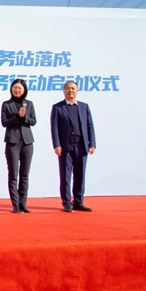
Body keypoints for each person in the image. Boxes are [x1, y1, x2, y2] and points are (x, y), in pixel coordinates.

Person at [50, 81, 96, 213]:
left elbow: (90, 126)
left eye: (73, 88)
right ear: (64, 91)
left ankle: (78, 202)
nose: (70, 91)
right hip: (65, 147)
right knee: (65, 176)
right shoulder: (57, 107)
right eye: (68, 88)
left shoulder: (84, 107)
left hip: (81, 146)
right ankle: (66, 202)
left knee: (80, 175)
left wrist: (92, 143)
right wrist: (56, 145)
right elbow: (54, 128)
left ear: (77, 90)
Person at [1, 79, 36, 214]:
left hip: (27, 142)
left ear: (24, 90)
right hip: (12, 142)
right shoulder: (6, 104)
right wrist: (17, 117)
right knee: (13, 174)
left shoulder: (29, 104)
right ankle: (15, 204)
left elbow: (33, 121)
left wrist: (24, 117)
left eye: (19, 88)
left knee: (25, 175)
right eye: (15, 87)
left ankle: (23, 204)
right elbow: (4, 122)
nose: (17, 90)